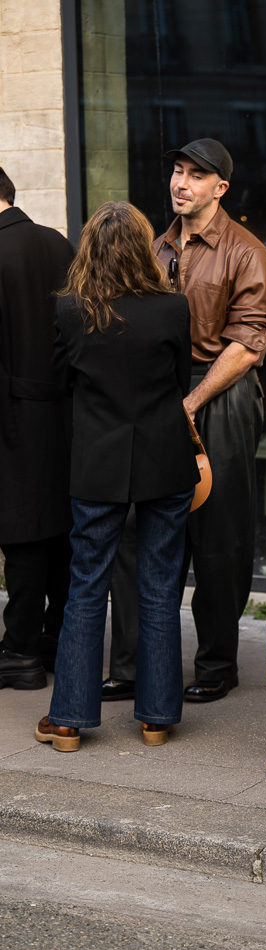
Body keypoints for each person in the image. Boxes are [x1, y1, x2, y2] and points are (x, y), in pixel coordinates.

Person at [103, 138, 266, 704]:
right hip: (160, 396)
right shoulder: (154, 247)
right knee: (138, 528)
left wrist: (194, 399)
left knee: (218, 531)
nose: (180, 183)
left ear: (219, 188)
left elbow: (249, 342)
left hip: (220, 393)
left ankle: (217, 665)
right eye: (177, 171)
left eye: (195, 176)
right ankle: (131, 666)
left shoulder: (246, 250)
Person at [35, 202, 198, 752]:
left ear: (90, 250)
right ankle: (156, 718)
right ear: (142, 249)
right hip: (165, 460)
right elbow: (179, 382)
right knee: (158, 588)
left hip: (97, 464)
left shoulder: (70, 311)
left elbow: (61, 382)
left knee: (86, 588)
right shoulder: (172, 308)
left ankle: (69, 722)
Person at [0, 166, 74, 691]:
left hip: (11, 414)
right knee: (61, 531)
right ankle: (54, 638)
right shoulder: (58, 243)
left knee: (22, 532)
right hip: (67, 411)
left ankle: (21, 650)